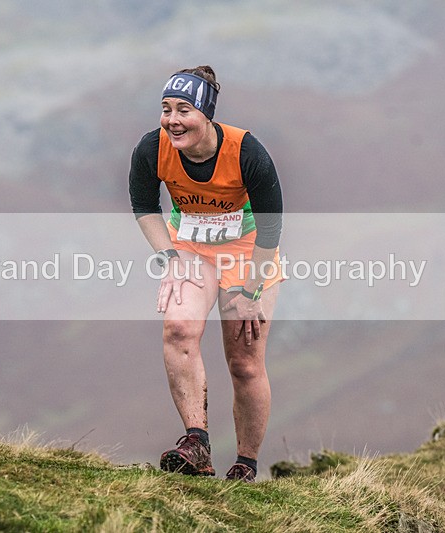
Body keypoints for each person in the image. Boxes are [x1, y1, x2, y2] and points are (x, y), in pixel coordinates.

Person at [129, 65, 284, 482]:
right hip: (191, 248)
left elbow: (271, 227)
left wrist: (251, 290)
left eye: (184, 109)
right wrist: (169, 258)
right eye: (165, 109)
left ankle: (245, 466)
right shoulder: (152, 148)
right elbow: (144, 205)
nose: (172, 119)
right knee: (178, 329)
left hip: (248, 252)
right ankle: (196, 443)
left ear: (206, 115)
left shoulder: (247, 152)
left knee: (245, 362)